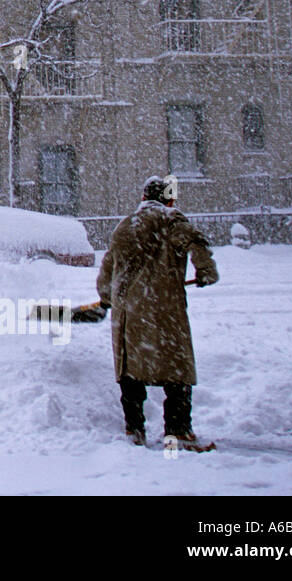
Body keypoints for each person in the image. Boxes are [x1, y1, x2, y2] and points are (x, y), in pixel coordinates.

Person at [97, 175, 219, 450]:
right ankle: (178, 432)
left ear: (143, 198)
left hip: (127, 314)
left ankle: (134, 430)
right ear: (169, 199)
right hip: (164, 309)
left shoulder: (124, 226)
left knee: (130, 374)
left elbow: (107, 270)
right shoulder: (171, 219)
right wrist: (206, 271)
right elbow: (196, 242)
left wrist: (107, 298)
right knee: (176, 372)